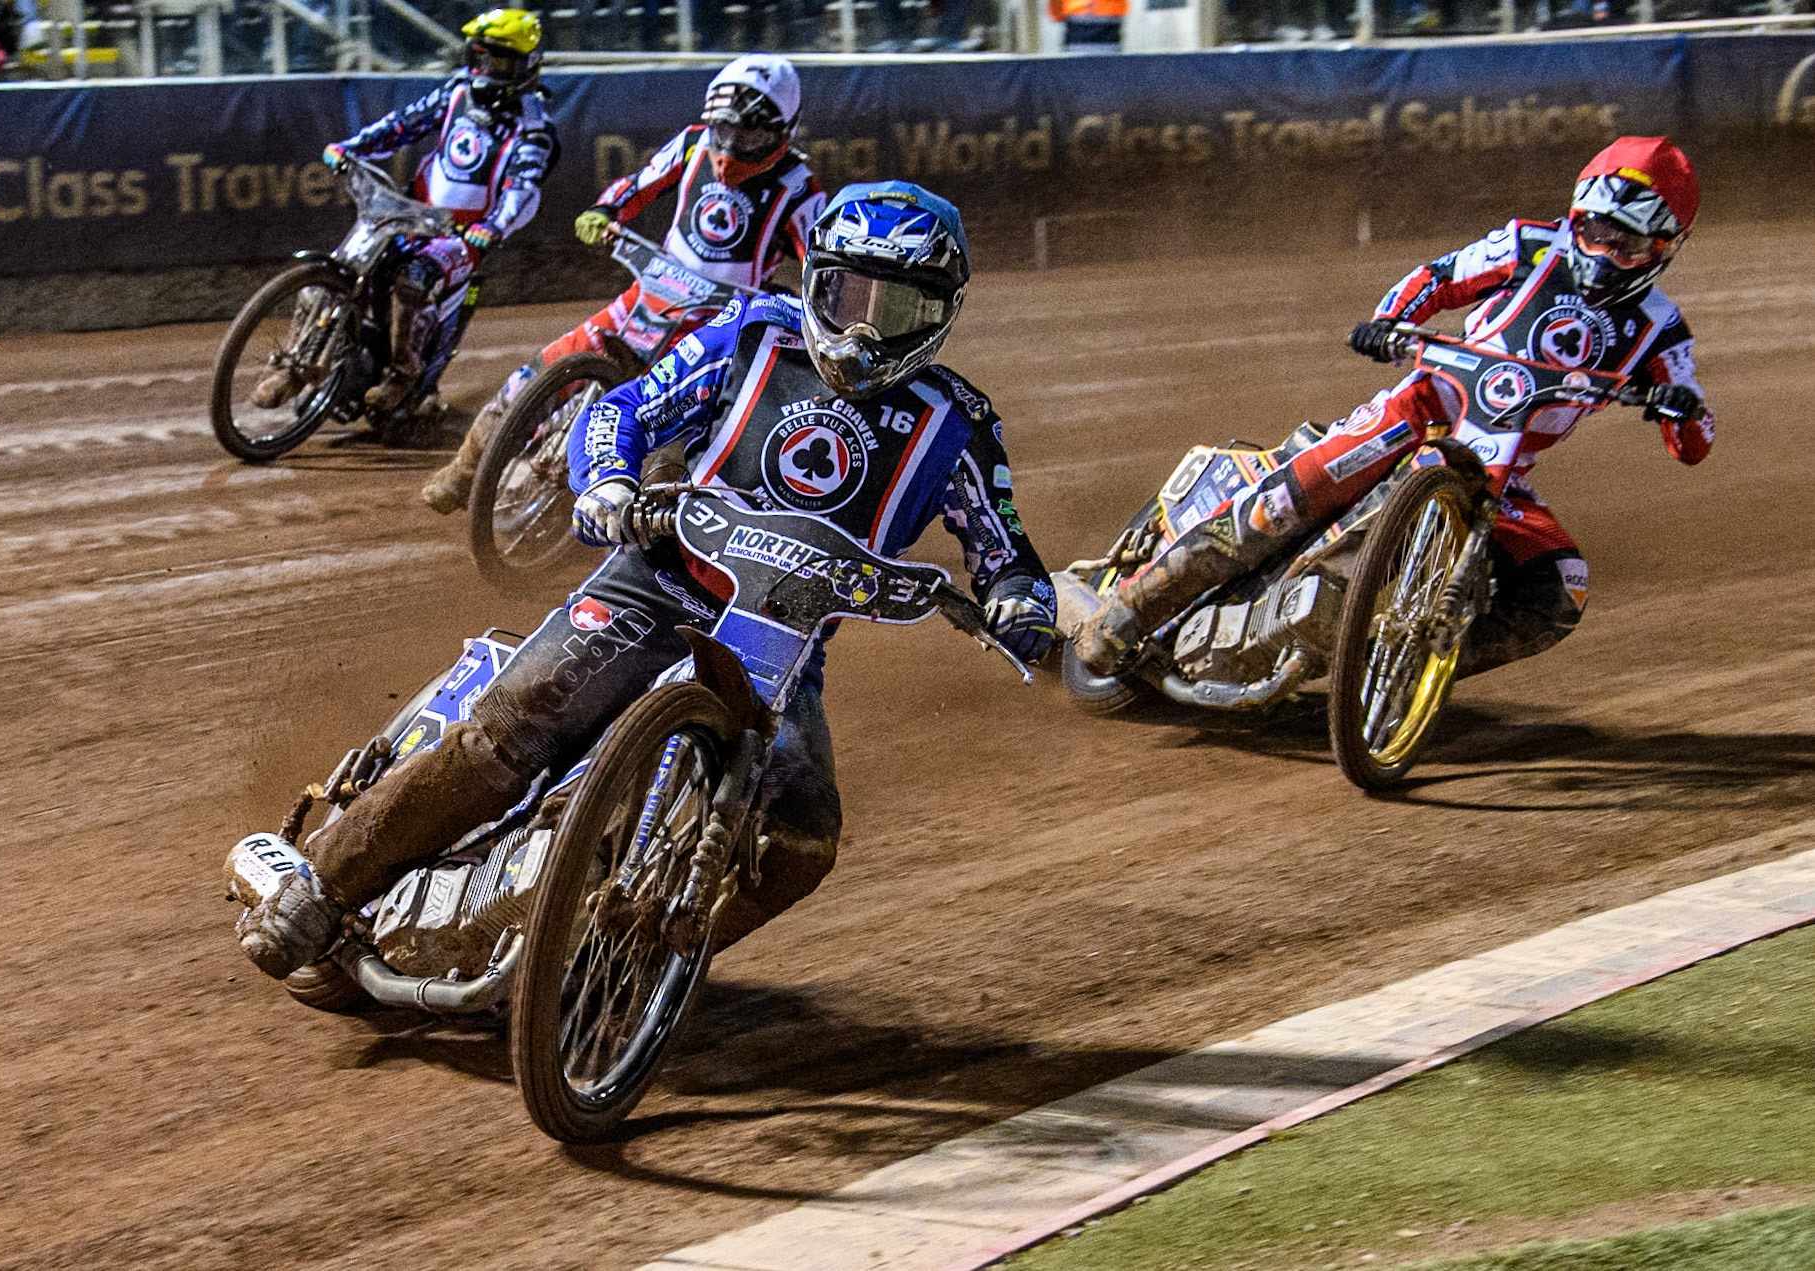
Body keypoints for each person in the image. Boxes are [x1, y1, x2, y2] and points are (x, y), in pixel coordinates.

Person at [233, 182, 1059, 979]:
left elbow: (1006, 548)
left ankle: (626, 969)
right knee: (514, 727)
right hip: (657, 581)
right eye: (849, 297)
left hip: (784, 647)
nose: (865, 329)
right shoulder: (750, 335)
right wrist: (606, 481)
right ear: (815, 284)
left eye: (898, 308)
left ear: (941, 313)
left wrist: (1020, 602)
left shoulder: (958, 423)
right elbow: (623, 408)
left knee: (798, 845)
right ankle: (322, 887)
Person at [1073, 136, 1714, 681]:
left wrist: (1680, 409)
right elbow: (1439, 277)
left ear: (1665, 247)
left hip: (1501, 469)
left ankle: (1393, 670)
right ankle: (1131, 607)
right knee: (1287, 501)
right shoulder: (1529, 245)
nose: (1603, 253)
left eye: (1626, 244)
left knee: (1561, 585)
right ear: (1576, 216)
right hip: (1422, 409)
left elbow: (1697, 438)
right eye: (1595, 231)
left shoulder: (1661, 329)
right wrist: (1389, 322)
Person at [420, 52, 825, 512]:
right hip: (648, 294)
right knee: (541, 370)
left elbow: (817, 260)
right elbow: (638, 184)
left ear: (781, 131)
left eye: (747, 133)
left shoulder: (799, 188)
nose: (730, 144)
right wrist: (605, 210)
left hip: (716, 326)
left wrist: (804, 299)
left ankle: (660, 518)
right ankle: (463, 471)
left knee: (685, 438)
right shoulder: (693, 144)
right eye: (724, 128)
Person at [251, 9, 559, 414]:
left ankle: (402, 372)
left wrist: (494, 226)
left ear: (526, 66)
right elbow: (403, 125)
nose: (484, 70)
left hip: (463, 236)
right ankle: (296, 367)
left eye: (497, 62)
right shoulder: (456, 93)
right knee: (337, 270)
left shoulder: (534, 129)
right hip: (411, 212)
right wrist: (352, 147)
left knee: (414, 279)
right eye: (479, 57)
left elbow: (521, 190)